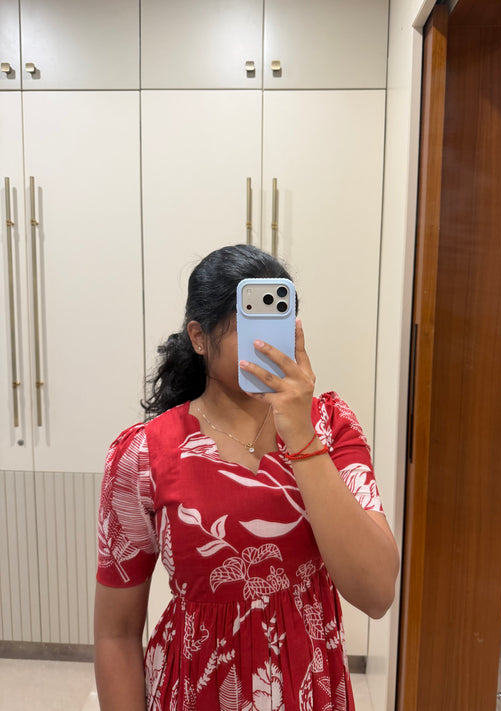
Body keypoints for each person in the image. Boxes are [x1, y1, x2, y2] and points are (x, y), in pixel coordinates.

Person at [94, 244, 399, 711]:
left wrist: (302, 438)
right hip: (197, 690)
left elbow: (376, 592)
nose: (268, 344)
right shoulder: (142, 454)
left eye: (279, 325)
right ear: (199, 337)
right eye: (249, 326)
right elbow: (115, 632)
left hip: (309, 690)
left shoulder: (331, 427)